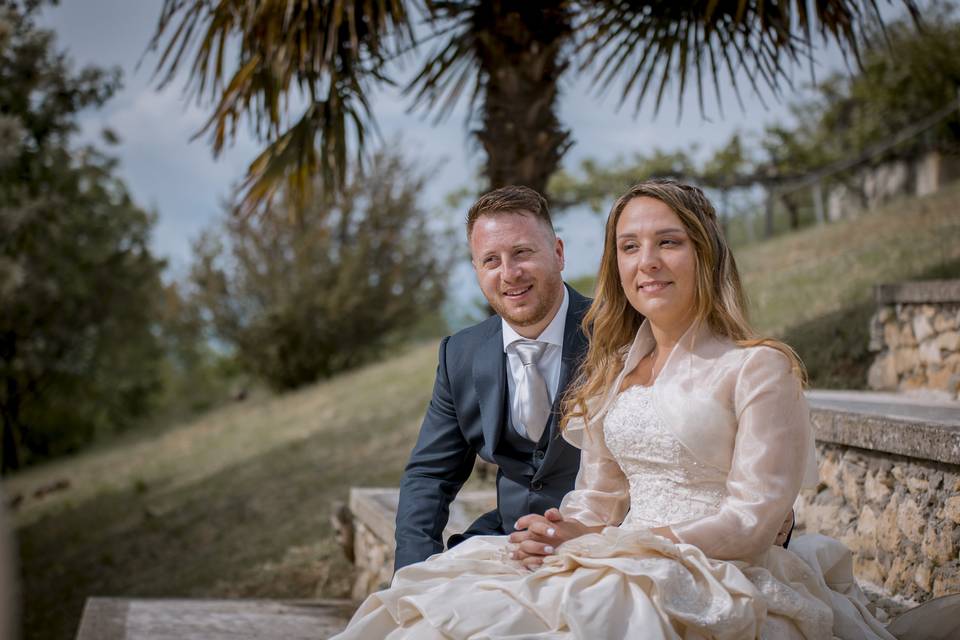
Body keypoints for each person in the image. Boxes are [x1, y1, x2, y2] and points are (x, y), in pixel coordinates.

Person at [334, 179, 894, 639]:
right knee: (429, 614)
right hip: (599, 552)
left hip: (699, 567)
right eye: (630, 247)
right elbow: (593, 497)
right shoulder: (615, 369)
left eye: (668, 243)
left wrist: (611, 545)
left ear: (705, 251)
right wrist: (561, 531)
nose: (647, 262)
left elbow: (754, 516)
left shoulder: (758, 368)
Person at [393, 185, 592, 571]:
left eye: (522, 252)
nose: (509, 273)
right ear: (477, 270)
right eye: (491, 260)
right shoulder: (460, 355)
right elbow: (430, 475)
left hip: (598, 543)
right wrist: (411, 573)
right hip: (504, 540)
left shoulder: (618, 334)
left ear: (558, 253)